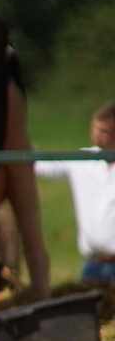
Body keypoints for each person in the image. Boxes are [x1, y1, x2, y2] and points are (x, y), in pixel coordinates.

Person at [33, 101, 115, 285]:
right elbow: (40, 166)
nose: (97, 136)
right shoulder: (83, 160)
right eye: (95, 129)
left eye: (104, 131)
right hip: (93, 264)